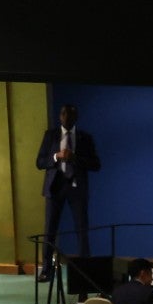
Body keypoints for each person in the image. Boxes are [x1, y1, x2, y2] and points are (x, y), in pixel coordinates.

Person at [34, 104, 99, 278]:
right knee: (50, 230)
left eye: (70, 114)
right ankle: (46, 270)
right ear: (60, 116)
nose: (66, 117)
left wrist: (75, 158)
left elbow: (95, 164)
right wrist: (57, 156)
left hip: (76, 188)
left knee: (82, 230)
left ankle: (84, 272)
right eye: (63, 113)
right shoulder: (50, 135)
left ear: (76, 117)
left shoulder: (85, 138)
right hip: (55, 187)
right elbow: (40, 162)